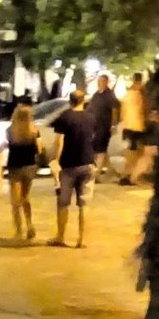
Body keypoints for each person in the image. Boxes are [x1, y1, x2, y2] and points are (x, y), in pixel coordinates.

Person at [47, 89, 95, 248]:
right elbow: (91, 138)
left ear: (70, 101)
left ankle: (60, 237)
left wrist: (55, 159)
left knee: (63, 203)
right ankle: (82, 239)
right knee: (84, 204)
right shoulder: (90, 117)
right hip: (87, 163)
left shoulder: (65, 117)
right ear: (83, 101)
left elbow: (59, 141)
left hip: (68, 165)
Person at [4, 103, 41, 242]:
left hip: (15, 166)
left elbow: (10, 144)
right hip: (29, 166)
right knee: (25, 197)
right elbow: (40, 149)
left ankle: (19, 230)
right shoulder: (34, 131)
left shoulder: (10, 131)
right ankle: (30, 225)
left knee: (15, 202)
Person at [118, 73, 150, 185]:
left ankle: (127, 174)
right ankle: (133, 176)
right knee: (137, 152)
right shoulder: (139, 95)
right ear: (140, 81)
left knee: (131, 151)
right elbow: (143, 110)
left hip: (127, 126)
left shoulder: (127, 94)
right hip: (138, 126)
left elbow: (122, 112)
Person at [85, 75, 119, 176]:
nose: (100, 83)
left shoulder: (110, 95)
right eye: (99, 81)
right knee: (99, 149)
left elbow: (114, 110)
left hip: (104, 126)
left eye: (102, 81)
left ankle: (96, 173)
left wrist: (113, 125)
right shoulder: (96, 94)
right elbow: (90, 108)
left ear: (106, 82)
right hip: (95, 126)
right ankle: (112, 172)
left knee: (100, 149)